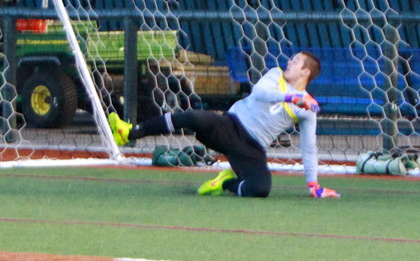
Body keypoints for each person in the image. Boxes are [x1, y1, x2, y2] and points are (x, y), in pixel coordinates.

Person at [109, 50, 340, 199]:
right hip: (230, 126)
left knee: (260, 189)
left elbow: (309, 148)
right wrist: (290, 97)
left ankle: (225, 182)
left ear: (305, 71)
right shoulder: (275, 75)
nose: (289, 62)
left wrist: (313, 185)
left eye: (295, 61)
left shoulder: (308, 107)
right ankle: (130, 132)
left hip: (251, 147)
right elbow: (260, 93)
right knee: (194, 117)